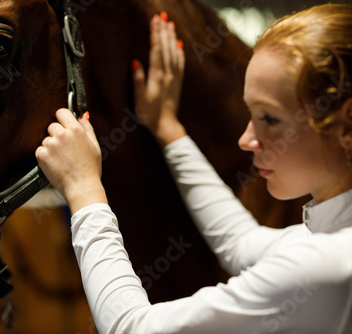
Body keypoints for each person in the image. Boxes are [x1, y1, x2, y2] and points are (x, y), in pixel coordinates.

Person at [35, 4, 352, 333]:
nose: (247, 140)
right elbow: (241, 244)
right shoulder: (333, 237)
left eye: (269, 119)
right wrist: (168, 129)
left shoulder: (326, 265)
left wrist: (84, 189)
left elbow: (131, 327)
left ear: (346, 124)